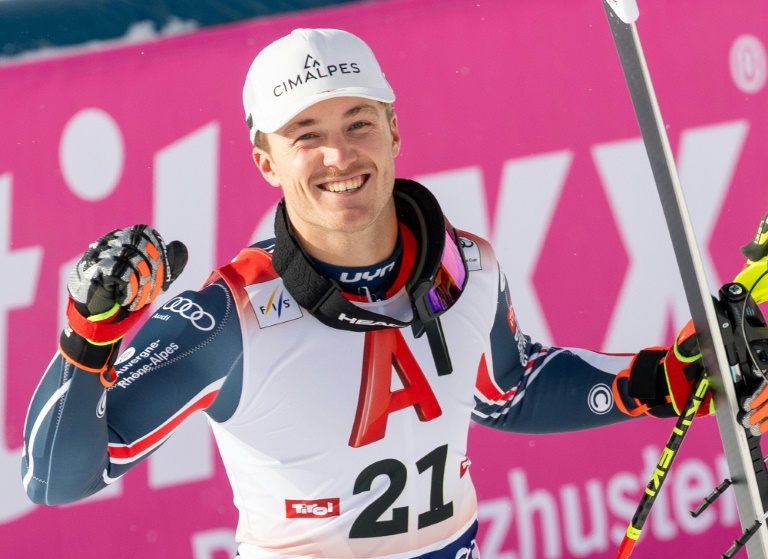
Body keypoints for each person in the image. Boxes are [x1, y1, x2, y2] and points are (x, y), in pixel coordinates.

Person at [19, 28, 768, 559]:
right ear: (265, 160)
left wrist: (653, 381)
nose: (339, 154)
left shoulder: (466, 265)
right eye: (305, 134)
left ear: (394, 129)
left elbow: (508, 390)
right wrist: (88, 341)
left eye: (357, 122)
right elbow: (54, 478)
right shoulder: (229, 315)